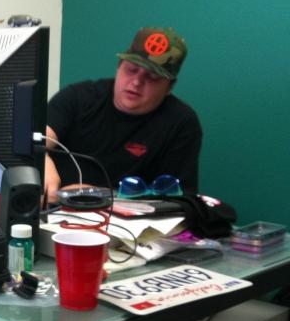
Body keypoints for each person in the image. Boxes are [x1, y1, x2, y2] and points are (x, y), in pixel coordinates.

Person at [44, 27, 202, 203]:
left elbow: (180, 199)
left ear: (169, 87)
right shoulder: (77, 97)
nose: (136, 82)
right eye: (131, 70)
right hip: (57, 210)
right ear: (119, 67)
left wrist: (98, 195)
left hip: (133, 216)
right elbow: (35, 140)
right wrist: (41, 158)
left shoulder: (181, 123)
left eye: (152, 77)